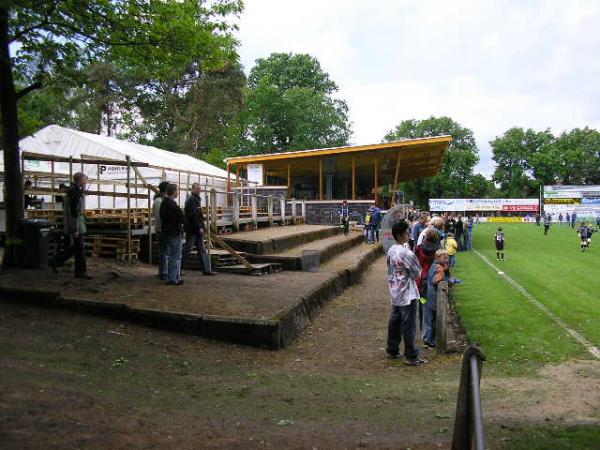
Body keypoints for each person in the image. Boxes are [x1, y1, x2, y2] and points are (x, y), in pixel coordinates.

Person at [386, 219, 426, 366]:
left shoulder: (391, 250)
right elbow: (417, 273)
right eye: (407, 231)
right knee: (408, 324)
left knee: (395, 321)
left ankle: (392, 349)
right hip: (407, 293)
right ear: (401, 234)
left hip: (395, 290)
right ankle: (410, 355)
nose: (409, 233)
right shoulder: (406, 253)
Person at [51, 172, 91, 279]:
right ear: (80, 180)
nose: (86, 181)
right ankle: (80, 272)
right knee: (80, 248)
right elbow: (74, 212)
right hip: (76, 225)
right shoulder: (74, 192)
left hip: (77, 224)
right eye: (85, 179)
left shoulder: (75, 190)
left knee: (76, 247)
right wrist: (75, 229)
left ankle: (56, 261)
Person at [181, 182, 215, 276]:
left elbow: (198, 215)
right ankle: (178, 269)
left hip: (196, 228)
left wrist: (202, 227)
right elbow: (193, 216)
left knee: (201, 249)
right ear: (193, 189)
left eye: (200, 188)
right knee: (188, 248)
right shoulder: (191, 200)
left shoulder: (196, 199)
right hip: (192, 229)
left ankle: (206, 269)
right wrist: (200, 227)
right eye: (198, 188)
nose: (199, 190)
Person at [422, 249, 451, 348]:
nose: (447, 259)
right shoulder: (440, 268)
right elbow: (436, 280)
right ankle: (430, 341)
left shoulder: (433, 265)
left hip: (426, 296)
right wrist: (446, 279)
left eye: (447, 257)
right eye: (445, 258)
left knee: (427, 319)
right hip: (433, 298)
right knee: (433, 319)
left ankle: (427, 339)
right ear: (438, 258)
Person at [160, 184, 185, 285]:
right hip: (174, 233)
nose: (178, 192)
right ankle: (172, 278)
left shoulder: (164, 203)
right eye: (177, 190)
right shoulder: (171, 205)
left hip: (167, 232)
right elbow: (181, 217)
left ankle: (175, 277)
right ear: (174, 192)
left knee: (174, 256)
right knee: (175, 256)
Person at [152, 181, 169, 280]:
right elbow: (159, 217)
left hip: (161, 229)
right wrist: (162, 228)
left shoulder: (160, 200)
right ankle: (163, 272)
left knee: (163, 251)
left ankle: (162, 271)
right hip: (161, 229)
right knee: (164, 252)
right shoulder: (159, 201)